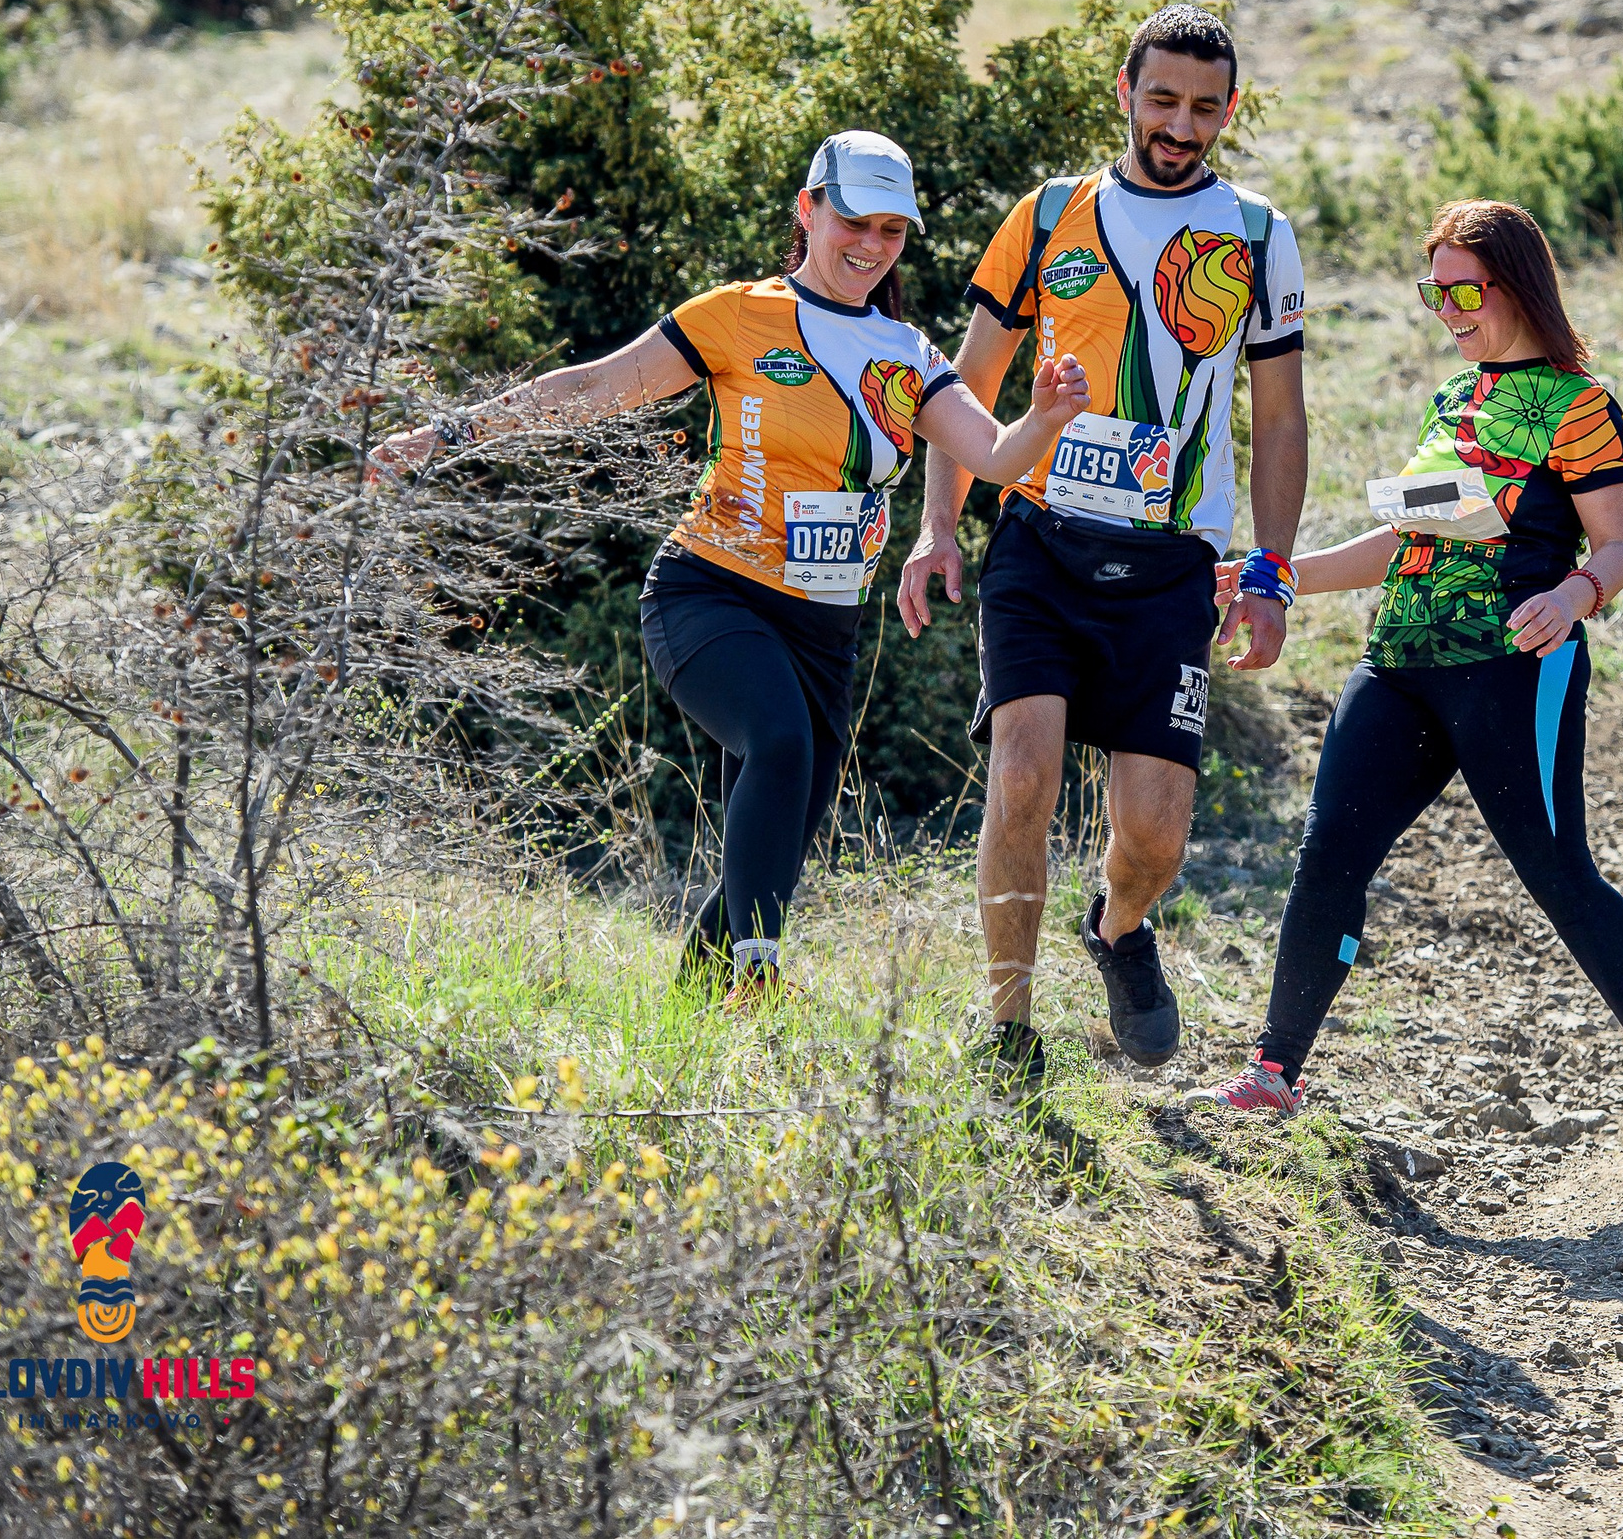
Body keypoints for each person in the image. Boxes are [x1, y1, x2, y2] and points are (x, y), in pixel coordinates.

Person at [375, 131, 1089, 1002]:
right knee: (780, 746)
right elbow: (591, 387)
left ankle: (702, 1008)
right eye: (852, 221)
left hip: (826, 630)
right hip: (708, 593)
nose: (870, 246)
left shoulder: (909, 354)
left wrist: (1047, 416)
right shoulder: (738, 316)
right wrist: (448, 434)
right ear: (808, 210)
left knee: (782, 838)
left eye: (891, 232)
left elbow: (998, 454)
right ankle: (760, 978)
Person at [1185, 199, 1623, 1171]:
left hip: (1514, 665)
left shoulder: (1577, 402)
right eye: (1433, 291)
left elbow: (1621, 545)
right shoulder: (1453, 399)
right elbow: (1405, 540)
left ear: (1515, 282)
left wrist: (1572, 597)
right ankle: (1274, 1071)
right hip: (1398, 663)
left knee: (1556, 869)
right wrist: (1284, 575)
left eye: (1462, 288)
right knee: (1328, 855)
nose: (1446, 308)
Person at [895, 5, 1309, 1092]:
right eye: (1162, 99)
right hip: (1040, 541)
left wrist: (1269, 570)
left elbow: (1280, 419)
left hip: (1172, 560)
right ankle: (1009, 1032)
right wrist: (939, 528)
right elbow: (962, 389)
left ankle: (1118, 927)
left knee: (1156, 837)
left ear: (1228, 111)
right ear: (1123, 92)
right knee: (1022, 772)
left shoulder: (1256, 233)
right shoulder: (1045, 217)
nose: (1181, 124)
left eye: (1204, 107)